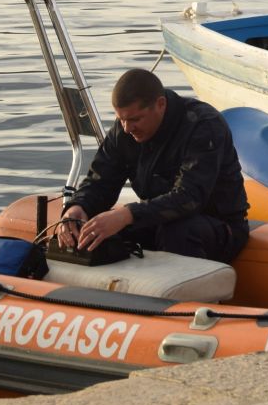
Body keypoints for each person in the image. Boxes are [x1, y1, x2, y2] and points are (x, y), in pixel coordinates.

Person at [58, 68, 249, 264]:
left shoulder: (203, 125)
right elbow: (100, 181)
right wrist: (78, 206)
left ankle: (188, 293)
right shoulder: (124, 130)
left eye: (134, 119)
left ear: (160, 104)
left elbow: (190, 197)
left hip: (217, 226)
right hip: (157, 219)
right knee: (93, 227)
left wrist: (128, 214)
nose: (127, 128)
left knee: (177, 230)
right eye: (121, 119)